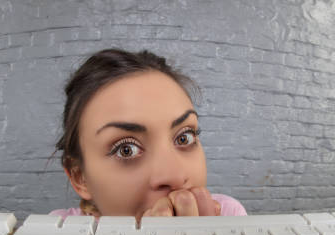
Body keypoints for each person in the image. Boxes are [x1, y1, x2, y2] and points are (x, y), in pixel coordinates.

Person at [50, 48, 247, 220]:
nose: (175, 176)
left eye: (184, 138)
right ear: (80, 177)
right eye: (126, 150)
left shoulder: (229, 214)